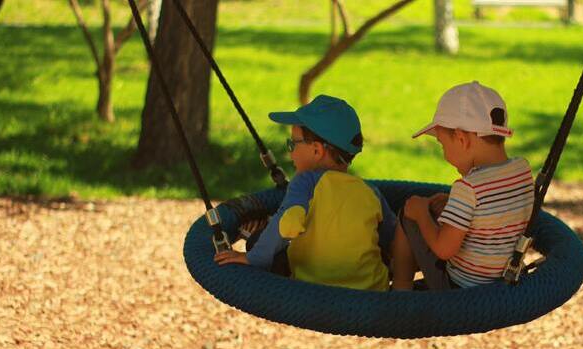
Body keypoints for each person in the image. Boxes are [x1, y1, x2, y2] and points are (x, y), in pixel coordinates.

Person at [215, 94, 397, 292]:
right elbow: (394, 241)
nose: (290, 152)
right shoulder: (371, 193)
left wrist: (253, 258)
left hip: (312, 287)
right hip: (369, 291)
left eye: (293, 143)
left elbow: (289, 223)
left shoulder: (305, 182)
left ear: (317, 151)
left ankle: (258, 229)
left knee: (259, 241)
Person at [391, 81, 535, 290]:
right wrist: (454, 205)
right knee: (433, 214)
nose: (444, 153)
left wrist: (421, 213)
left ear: (461, 138)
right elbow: (497, 211)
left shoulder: (468, 188)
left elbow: (444, 250)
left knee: (409, 211)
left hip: (461, 289)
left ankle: (400, 291)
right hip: (503, 280)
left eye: (442, 144)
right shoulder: (522, 169)